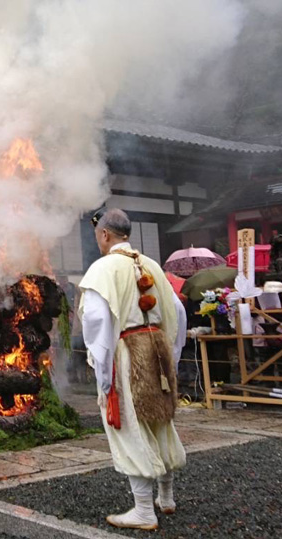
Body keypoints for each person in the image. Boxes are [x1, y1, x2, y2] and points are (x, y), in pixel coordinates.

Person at [79, 209, 184, 530]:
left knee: (129, 424)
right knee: (160, 419)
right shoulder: (151, 265)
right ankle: (165, 498)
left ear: (105, 235)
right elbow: (177, 312)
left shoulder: (104, 268)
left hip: (126, 355)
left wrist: (102, 372)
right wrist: (172, 357)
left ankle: (143, 510)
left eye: (98, 236)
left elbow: (97, 322)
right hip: (158, 352)